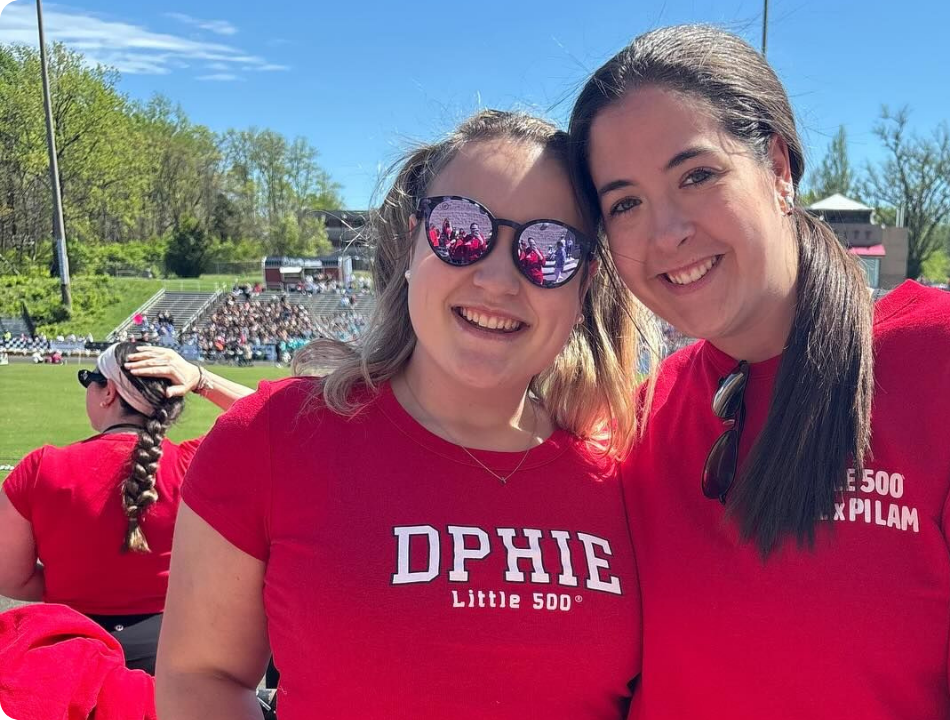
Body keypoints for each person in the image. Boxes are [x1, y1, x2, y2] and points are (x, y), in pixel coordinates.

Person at [568, 25, 950, 719]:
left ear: (778, 168)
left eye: (696, 175)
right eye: (625, 203)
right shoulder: (647, 417)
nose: (665, 231)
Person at [156, 110, 651, 719]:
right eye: (460, 229)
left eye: (548, 250)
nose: (497, 278)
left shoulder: (630, 473)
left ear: (584, 285)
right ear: (414, 242)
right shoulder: (273, 437)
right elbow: (199, 675)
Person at [0, 343, 253, 675]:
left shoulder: (41, 467)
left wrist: (73, 580)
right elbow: (276, 415)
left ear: (110, 393)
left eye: (90, 379)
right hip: (172, 657)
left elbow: (11, 580)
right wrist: (202, 380)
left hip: (69, 652)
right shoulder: (194, 464)